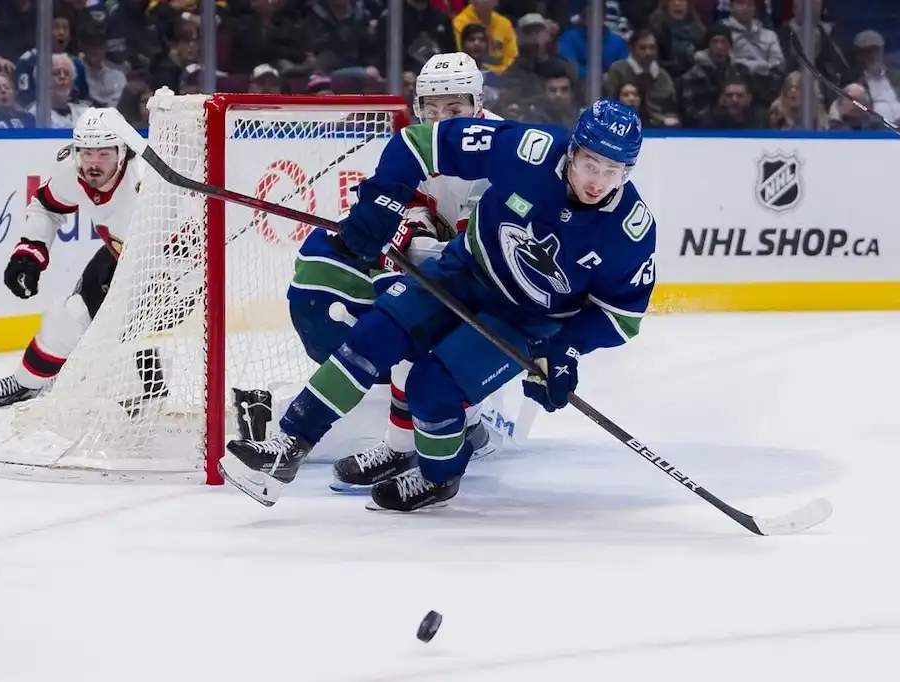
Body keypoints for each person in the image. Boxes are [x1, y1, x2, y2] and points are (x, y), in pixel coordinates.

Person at [221, 98, 657, 512]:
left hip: (527, 320)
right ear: (573, 151)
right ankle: (286, 447)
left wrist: (566, 347)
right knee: (374, 336)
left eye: (613, 170)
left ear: (628, 170)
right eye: (590, 164)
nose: (597, 180)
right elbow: (420, 143)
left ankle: (437, 478)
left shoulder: (631, 231)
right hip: (465, 271)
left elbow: (620, 316)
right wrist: (381, 202)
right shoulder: (528, 150)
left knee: (431, 391)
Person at [234, 53, 504, 494]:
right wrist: (405, 224)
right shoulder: (416, 142)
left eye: (454, 110)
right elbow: (408, 197)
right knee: (388, 323)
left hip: (492, 284)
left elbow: (476, 250)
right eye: (430, 110)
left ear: (477, 105)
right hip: (445, 264)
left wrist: (423, 243)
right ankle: (444, 429)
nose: (441, 121)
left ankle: (425, 438)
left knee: (408, 334)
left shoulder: (495, 152)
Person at [0, 108, 145, 407]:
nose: (93, 163)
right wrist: (29, 253)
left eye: (103, 153)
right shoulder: (70, 172)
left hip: (174, 266)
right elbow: (46, 207)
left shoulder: (146, 182)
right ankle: (25, 384)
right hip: (121, 254)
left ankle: (148, 392)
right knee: (67, 317)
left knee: (126, 334)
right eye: (86, 152)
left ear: (122, 152)